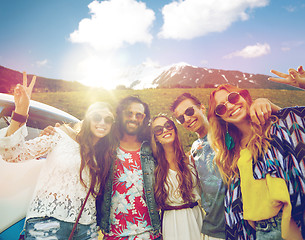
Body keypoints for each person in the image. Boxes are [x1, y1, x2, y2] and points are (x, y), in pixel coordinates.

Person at [0, 73, 118, 239]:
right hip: (47, 223)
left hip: (87, 229)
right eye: (97, 117)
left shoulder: (107, 153)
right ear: (88, 118)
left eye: (108, 119)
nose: (102, 123)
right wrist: (21, 111)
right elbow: (12, 154)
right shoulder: (60, 135)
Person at [170, 93, 275, 240]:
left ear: (202, 108)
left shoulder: (229, 131)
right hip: (212, 230)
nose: (187, 119)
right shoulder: (195, 148)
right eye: (181, 118)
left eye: (189, 111)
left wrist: (262, 101)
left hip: (243, 224)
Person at [207, 83, 305, 239]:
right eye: (221, 108)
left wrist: (274, 105)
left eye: (233, 97)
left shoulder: (276, 127)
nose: (230, 106)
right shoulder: (230, 153)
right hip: (258, 231)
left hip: (291, 224)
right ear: (220, 118)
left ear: (244, 97)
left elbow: (296, 125)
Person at [95, 96, 161, 239]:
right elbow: (85, 135)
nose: (133, 118)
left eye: (139, 115)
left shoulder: (151, 149)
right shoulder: (106, 146)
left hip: (149, 234)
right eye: (128, 113)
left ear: (144, 118)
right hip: (114, 234)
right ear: (119, 114)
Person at [150, 114, 203, 239]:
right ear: (155, 138)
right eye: (158, 129)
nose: (165, 130)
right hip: (171, 221)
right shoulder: (154, 168)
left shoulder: (191, 160)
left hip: (195, 216)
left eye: (168, 125)